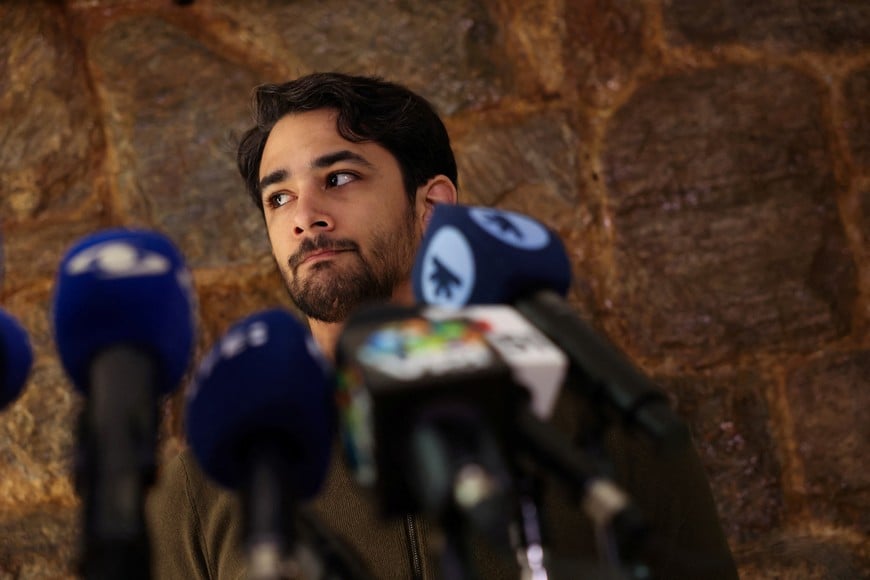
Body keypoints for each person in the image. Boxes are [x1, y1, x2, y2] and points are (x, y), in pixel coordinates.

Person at [146, 72, 738, 579]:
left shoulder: (600, 419)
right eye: (278, 198)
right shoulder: (209, 486)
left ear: (433, 206)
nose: (305, 217)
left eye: (340, 178)